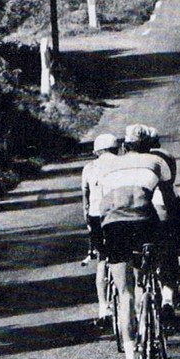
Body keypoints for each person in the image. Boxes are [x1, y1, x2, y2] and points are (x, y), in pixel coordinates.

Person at [99, 123, 174, 359]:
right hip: (144, 222)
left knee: (125, 293)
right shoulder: (156, 160)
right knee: (147, 276)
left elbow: (99, 209)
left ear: (125, 146)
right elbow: (168, 203)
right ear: (148, 144)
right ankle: (160, 300)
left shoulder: (108, 166)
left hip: (113, 226)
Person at [146, 126, 180, 324]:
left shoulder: (126, 162)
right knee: (168, 255)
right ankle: (168, 300)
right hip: (162, 209)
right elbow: (171, 189)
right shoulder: (163, 158)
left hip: (133, 217)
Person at [81, 132, 120, 330]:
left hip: (96, 217)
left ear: (97, 151)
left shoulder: (89, 168)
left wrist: (88, 221)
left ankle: (103, 307)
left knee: (103, 260)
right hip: (117, 215)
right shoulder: (121, 163)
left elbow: (85, 198)